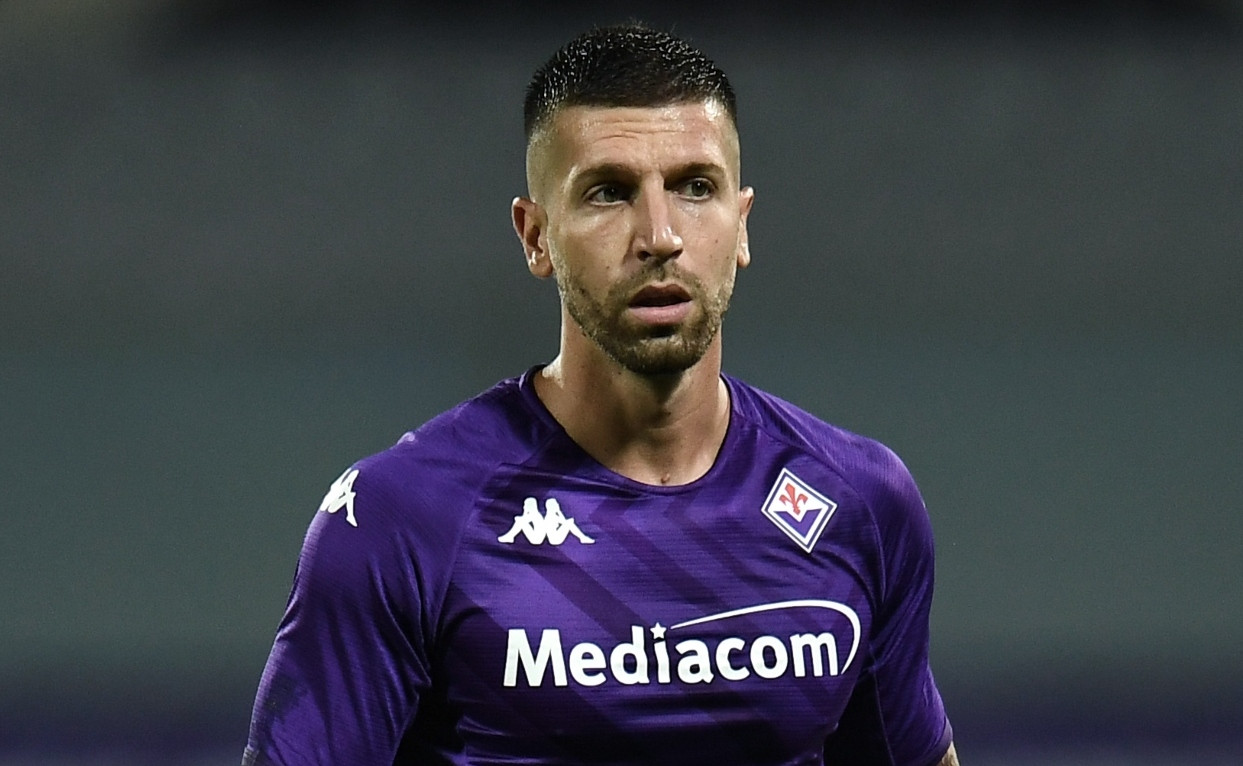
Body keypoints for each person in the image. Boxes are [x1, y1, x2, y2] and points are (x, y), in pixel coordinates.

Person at [243, 22, 957, 766]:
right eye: (609, 193)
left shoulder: (860, 502)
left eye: (695, 187)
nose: (660, 235)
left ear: (741, 225)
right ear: (536, 237)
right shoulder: (405, 518)